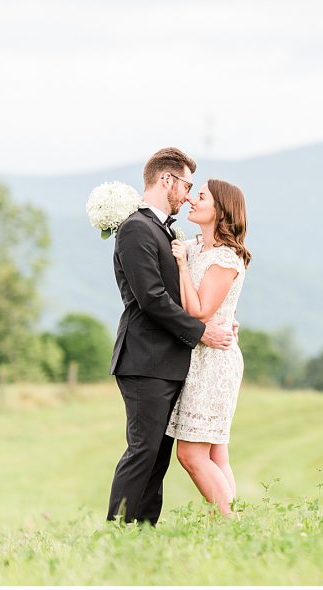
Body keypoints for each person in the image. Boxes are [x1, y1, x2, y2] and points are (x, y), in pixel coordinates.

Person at [106, 147, 238, 525]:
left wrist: (223, 319)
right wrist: (201, 333)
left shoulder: (166, 230)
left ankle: (143, 531)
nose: (188, 194)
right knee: (143, 451)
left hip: (168, 361)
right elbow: (151, 298)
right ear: (167, 180)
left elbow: (195, 288)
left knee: (158, 456)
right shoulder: (136, 228)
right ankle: (119, 530)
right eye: (187, 185)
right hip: (144, 360)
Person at [167, 179, 251, 515]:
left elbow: (200, 310)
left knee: (191, 453)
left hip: (214, 361)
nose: (190, 199)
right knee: (216, 453)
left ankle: (231, 522)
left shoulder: (227, 258)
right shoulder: (193, 245)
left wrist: (183, 267)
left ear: (219, 210)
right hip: (198, 355)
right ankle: (236, 528)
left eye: (200, 196)